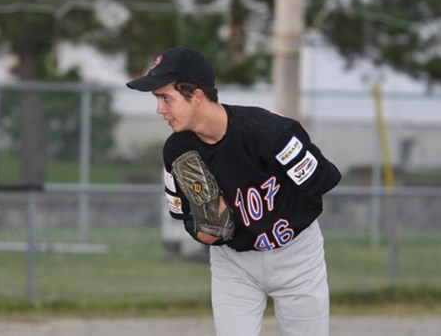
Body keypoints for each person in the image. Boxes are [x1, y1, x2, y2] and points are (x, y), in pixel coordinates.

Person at [126, 46, 341, 336]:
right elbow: (183, 216)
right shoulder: (178, 150)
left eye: (166, 98)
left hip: (296, 254)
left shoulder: (266, 132)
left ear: (197, 96)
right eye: (157, 99)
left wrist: (286, 154)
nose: (159, 109)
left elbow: (323, 179)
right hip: (234, 262)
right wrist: (206, 229)